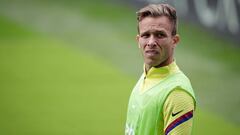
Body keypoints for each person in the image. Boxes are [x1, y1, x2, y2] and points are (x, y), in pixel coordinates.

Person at [125, 4, 196, 135]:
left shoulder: (177, 93)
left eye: (160, 35)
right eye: (146, 35)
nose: (151, 42)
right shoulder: (147, 75)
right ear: (138, 40)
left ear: (174, 41)